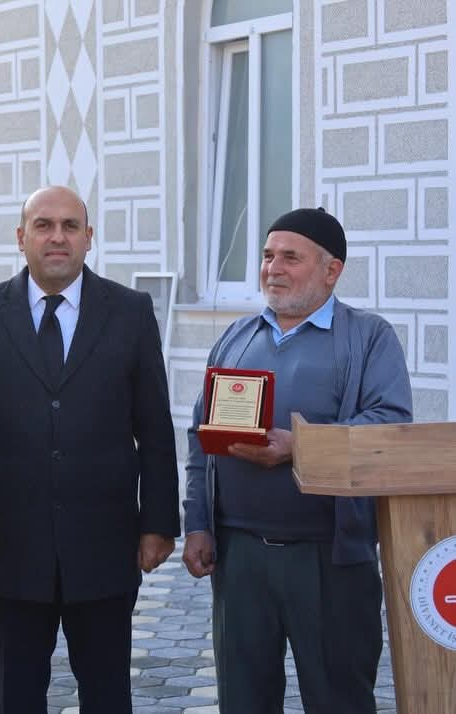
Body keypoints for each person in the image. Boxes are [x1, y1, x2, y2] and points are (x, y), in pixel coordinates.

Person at [0, 185, 181, 714]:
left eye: (70, 226)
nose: (58, 237)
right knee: (19, 696)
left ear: (88, 238)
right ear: (21, 238)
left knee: (107, 695)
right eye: (44, 226)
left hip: (105, 546)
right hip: (12, 548)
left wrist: (158, 523)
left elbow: (155, 427)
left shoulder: (130, 311)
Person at [182, 208, 413, 713]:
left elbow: (389, 426)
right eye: (267, 256)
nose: (272, 268)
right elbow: (200, 438)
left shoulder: (369, 337)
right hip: (240, 558)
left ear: (332, 270)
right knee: (244, 701)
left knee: (339, 701)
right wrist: (197, 524)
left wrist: (300, 447)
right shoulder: (236, 338)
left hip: (329, 559)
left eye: (290, 257)